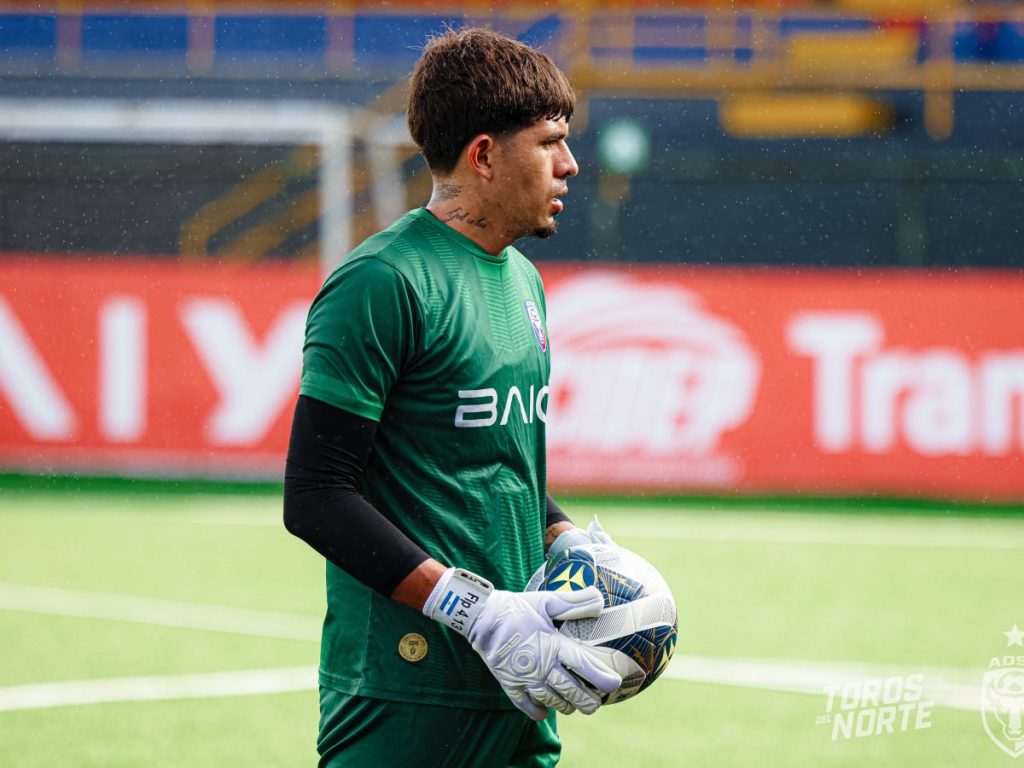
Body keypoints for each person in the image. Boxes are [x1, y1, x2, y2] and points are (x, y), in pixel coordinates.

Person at [283, 27, 621, 768]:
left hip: (520, 679)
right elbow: (315, 494)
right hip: (407, 690)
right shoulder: (381, 282)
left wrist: (570, 542)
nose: (569, 165)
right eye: (551, 142)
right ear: (485, 155)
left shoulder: (523, 280)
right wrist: (473, 609)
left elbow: (495, 461)